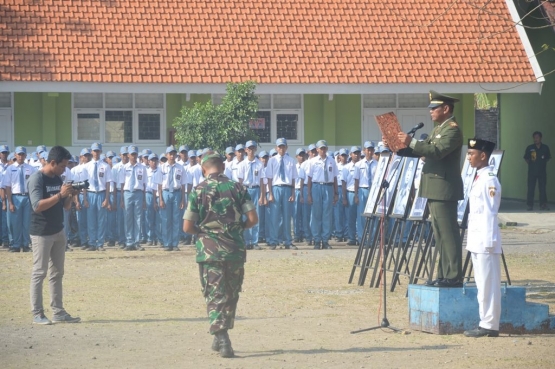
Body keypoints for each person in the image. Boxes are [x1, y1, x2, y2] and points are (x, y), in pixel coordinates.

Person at [183, 153, 257, 358]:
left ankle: (222, 337)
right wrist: (238, 229)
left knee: (215, 294)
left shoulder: (198, 190)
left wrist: (202, 233)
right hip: (234, 249)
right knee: (232, 293)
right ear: (223, 167)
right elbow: (252, 218)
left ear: (203, 169)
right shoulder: (238, 188)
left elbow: (187, 225)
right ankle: (220, 335)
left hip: (209, 251)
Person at [397, 90, 464, 287]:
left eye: (434, 108)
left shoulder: (452, 130)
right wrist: (398, 147)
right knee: (440, 234)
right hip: (435, 187)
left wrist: (411, 141)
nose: (431, 112)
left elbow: (436, 151)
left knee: (449, 233)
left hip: (444, 188)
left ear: (446, 108)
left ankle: (453, 276)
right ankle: (443, 275)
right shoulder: (438, 130)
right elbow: (421, 149)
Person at [28, 145, 80, 325]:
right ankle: (37, 313)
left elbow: (65, 207)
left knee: (57, 273)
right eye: (62, 166)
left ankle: (58, 312)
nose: (65, 169)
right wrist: (60, 195)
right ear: (52, 162)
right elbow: (37, 206)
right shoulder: (36, 179)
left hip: (59, 231)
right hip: (41, 233)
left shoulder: (58, 178)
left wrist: (71, 195)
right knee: (39, 273)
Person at [463, 138, 502, 338]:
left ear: (483, 156)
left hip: (486, 241)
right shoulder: (479, 177)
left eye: (472, 154)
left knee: (488, 284)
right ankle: (485, 322)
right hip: (477, 240)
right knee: (481, 283)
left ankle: (490, 324)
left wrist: (488, 242)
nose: (468, 157)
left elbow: (490, 212)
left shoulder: (489, 180)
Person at [3, 146, 37, 252]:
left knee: (27, 222)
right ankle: (16, 245)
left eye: (23, 154)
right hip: (15, 196)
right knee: (15, 223)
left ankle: (26, 244)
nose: (21, 156)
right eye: (19, 154)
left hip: (27, 197)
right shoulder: (10, 168)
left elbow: (33, 185)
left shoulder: (31, 169)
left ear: (26, 156)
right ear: (15, 155)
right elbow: (7, 186)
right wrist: (10, 202)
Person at [265, 138, 297, 249]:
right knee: (274, 216)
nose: (281, 149)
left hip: (287, 188)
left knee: (287, 216)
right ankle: (274, 241)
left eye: (283, 146)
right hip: (276, 188)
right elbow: (269, 178)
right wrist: (270, 193)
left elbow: (293, 179)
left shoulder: (291, 161)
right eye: (279, 147)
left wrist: (293, 193)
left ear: (286, 147)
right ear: (276, 148)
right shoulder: (272, 160)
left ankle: (288, 241)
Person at [307, 140, 339, 249]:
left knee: (327, 214)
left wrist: (336, 193)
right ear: (317, 149)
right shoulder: (313, 161)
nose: (323, 150)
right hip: (316, 187)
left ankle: (325, 240)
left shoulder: (331, 161)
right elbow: (309, 178)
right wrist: (309, 194)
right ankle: (316, 240)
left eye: (324, 148)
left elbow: (335, 177)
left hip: (328, 187)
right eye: (321, 148)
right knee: (316, 214)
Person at [82, 143, 112, 251]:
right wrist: (85, 198)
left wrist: (107, 199)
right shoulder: (87, 166)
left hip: (101, 193)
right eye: (94, 151)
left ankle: (100, 243)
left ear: (101, 152)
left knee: (101, 220)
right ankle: (92, 242)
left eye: (98, 151)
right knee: (91, 220)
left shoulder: (105, 166)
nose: (96, 153)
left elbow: (108, 183)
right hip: (90, 194)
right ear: (91, 152)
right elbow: (84, 183)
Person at [237, 140, 264, 250]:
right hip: (246, 190)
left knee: (256, 215)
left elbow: (262, 181)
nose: (251, 151)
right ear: (246, 150)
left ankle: (255, 241)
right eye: (249, 149)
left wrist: (262, 195)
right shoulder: (242, 164)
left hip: (256, 189)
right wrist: (240, 195)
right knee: (245, 215)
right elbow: (239, 181)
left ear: (255, 149)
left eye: (253, 148)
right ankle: (247, 241)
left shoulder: (259, 163)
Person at [523, 131, 551, 211]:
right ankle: (530, 205)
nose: (536, 139)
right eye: (534, 138)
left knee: (542, 188)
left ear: (540, 138)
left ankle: (543, 204)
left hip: (542, 172)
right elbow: (526, 158)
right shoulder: (530, 148)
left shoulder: (545, 147)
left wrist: (541, 163)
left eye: (537, 137)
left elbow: (548, 158)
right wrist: (532, 165)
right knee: (531, 188)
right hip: (532, 172)